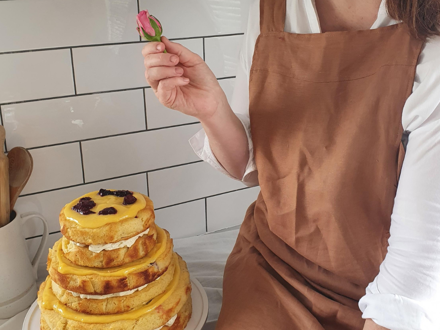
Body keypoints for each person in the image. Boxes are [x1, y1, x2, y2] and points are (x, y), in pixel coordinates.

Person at [142, 0, 440, 328]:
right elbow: (248, 164)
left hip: (384, 286)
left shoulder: (430, 26)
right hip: (275, 265)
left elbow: (411, 277)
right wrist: (211, 111)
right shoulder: (270, 8)